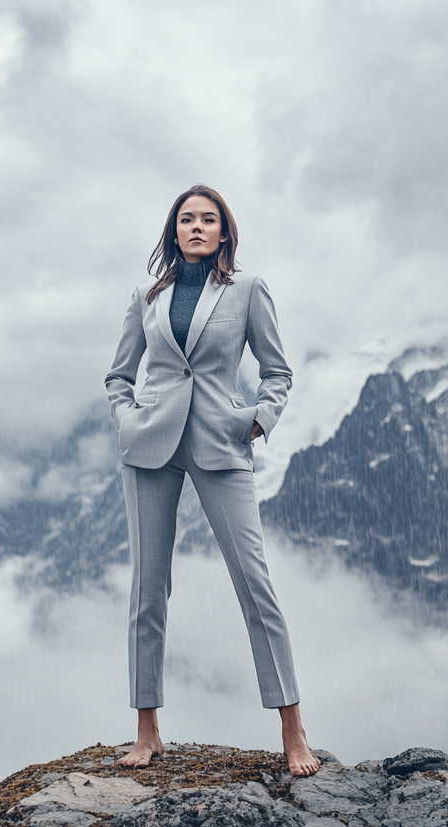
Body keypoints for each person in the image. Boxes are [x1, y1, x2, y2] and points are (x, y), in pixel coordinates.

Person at [104, 184, 319, 777]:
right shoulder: (146, 296)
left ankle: (293, 731)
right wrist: (127, 419)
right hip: (149, 447)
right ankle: (147, 732)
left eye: (208, 219)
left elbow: (277, 371)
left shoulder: (248, 290)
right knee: (148, 591)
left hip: (222, 444)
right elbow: (118, 376)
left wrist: (257, 420)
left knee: (255, 586)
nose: (196, 227)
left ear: (225, 232)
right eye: (186, 219)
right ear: (173, 231)